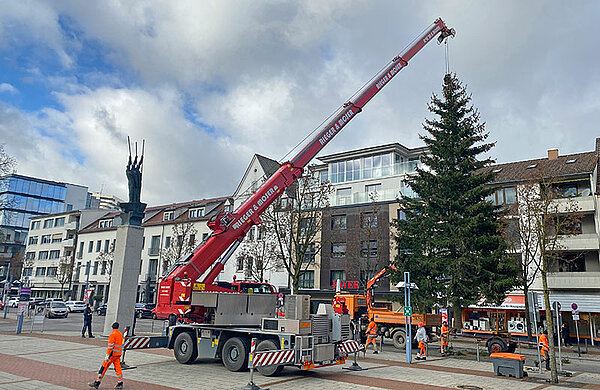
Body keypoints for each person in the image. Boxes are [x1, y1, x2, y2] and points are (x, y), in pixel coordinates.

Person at [89, 322, 124, 389]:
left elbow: (110, 346)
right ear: (118, 327)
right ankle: (120, 383)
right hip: (118, 355)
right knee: (118, 369)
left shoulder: (112, 335)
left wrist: (107, 355)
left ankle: (97, 382)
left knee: (103, 368)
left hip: (112, 355)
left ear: (112, 327)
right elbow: (121, 344)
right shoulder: (120, 334)